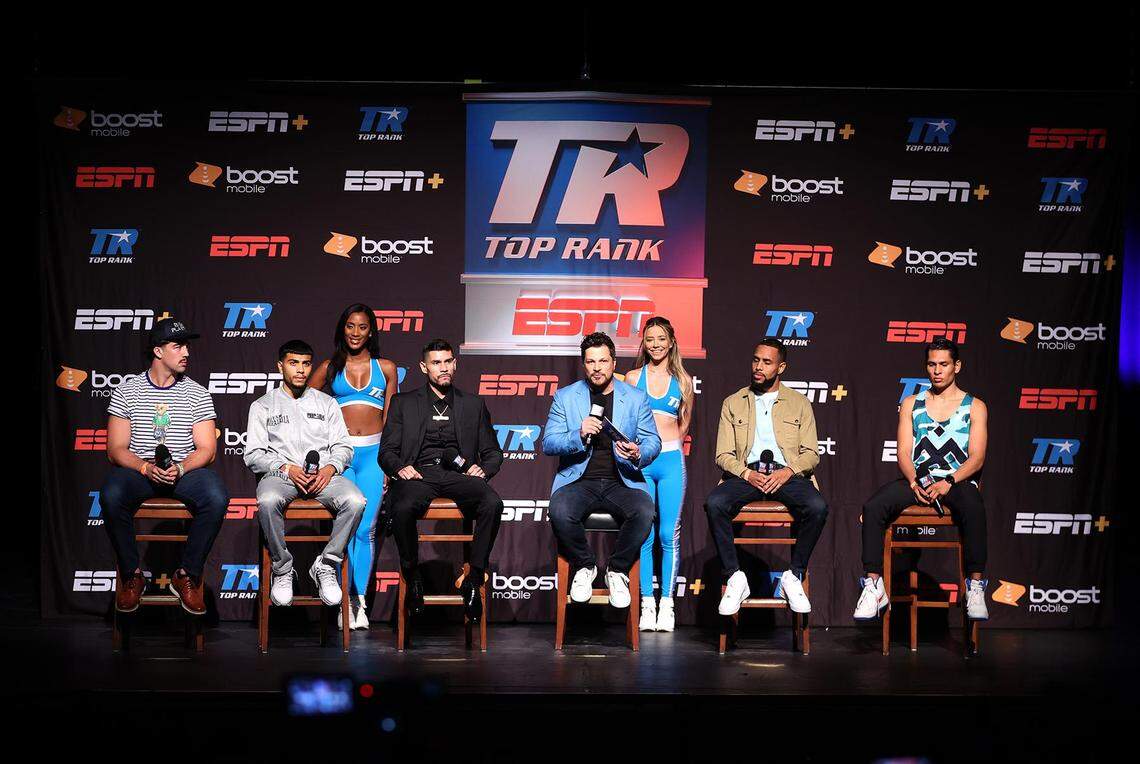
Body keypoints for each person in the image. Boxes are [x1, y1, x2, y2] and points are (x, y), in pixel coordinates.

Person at [854, 337, 990, 621]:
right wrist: (916, 482)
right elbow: (903, 452)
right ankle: (874, 585)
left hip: (957, 481)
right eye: (931, 364)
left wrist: (949, 482)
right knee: (873, 507)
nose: (937, 370)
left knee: (974, 505)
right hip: (919, 480)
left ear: (957, 366)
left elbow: (976, 457)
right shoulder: (911, 403)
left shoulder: (975, 406)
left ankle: (975, 585)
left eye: (943, 364)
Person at [100, 317, 229, 615]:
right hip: (141, 472)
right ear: (158, 351)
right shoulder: (127, 389)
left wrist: (181, 467)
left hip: (182, 472)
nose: (187, 352)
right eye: (178, 345)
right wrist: (145, 468)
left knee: (216, 495)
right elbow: (115, 448)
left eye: (187, 345)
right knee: (110, 493)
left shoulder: (197, 393)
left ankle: (186, 576)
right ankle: (132, 575)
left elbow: (208, 450)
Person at [379, 339, 504, 623]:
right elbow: (386, 452)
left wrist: (484, 470)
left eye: (448, 361)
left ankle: (473, 577)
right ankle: (413, 576)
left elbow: (493, 451)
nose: (443, 368)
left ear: (455, 364)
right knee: (401, 508)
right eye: (436, 363)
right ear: (424, 367)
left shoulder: (473, 404)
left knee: (492, 502)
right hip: (418, 475)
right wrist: (400, 468)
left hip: (457, 475)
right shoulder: (403, 403)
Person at [705, 338, 828, 616]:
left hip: (787, 475)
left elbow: (811, 454)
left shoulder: (799, 403)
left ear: (781, 367)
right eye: (756, 360)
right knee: (715, 503)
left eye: (767, 362)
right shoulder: (733, 402)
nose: (759, 367)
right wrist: (747, 473)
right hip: (746, 474)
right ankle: (735, 577)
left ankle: (793, 575)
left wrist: (787, 472)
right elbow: (723, 455)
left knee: (817, 507)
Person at [542, 332, 662, 609]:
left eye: (603, 361)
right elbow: (548, 442)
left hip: (622, 481)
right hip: (579, 480)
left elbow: (653, 440)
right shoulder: (566, 397)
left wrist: (638, 451)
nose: (597, 367)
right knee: (559, 511)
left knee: (644, 511)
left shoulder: (635, 398)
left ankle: (617, 570)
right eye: (590, 362)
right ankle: (586, 565)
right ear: (584, 365)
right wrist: (577, 433)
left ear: (613, 362)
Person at [244, 340, 366, 609]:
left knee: (356, 501)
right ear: (280, 367)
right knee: (266, 501)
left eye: (306, 364)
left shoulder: (326, 403)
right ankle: (282, 568)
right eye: (293, 363)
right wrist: (287, 468)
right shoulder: (263, 405)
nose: (300, 370)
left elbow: (344, 447)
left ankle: (326, 564)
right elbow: (253, 455)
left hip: (324, 477)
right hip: (281, 476)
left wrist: (330, 467)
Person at [309, 304, 398, 629]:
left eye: (362, 327)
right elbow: (303, 406)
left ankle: (359, 601)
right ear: (342, 329)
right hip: (341, 457)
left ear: (371, 331)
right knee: (344, 530)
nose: (356, 333)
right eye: (350, 326)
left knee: (365, 530)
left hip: (374, 457)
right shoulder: (329, 368)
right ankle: (343, 599)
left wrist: (389, 462)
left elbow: (391, 421)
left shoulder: (386, 368)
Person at [624, 317, 694, 632]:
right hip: (640, 463)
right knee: (644, 534)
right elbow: (624, 423)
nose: (655, 344)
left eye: (661, 338)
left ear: (671, 341)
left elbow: (684, 424)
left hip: (669, 462)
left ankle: (667, 605)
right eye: (650, 338)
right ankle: (646, 604)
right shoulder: (631, 377)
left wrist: (670, 446)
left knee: (668, 534)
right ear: (644, 342)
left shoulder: (684, 381)